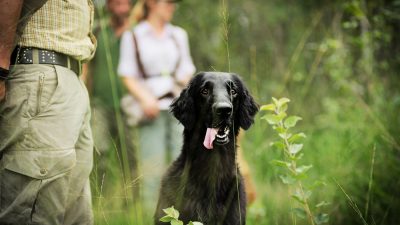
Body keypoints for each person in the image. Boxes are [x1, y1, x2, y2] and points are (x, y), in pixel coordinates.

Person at [0, 0, 96, 224]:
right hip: (39, 73)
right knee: (34, 215)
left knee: (74, 215)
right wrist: (1, 63)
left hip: (69, 76)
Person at [117, 0, 195, 212]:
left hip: (178, 109)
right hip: (149, 111)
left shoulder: (178, 35)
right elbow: (127, 74)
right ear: (151, 3)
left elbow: (187, 68)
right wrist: (145, 99)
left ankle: (183, 215)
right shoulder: (133, 36)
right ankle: (154, 216)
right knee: (152, 170)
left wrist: (180, 82)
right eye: (168, 2)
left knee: (183, 167)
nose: (172, 7)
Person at [82, 0, 137, 195]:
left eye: (125, 4)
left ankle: (132, 203)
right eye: (117, 4)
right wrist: (84, 99)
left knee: (131, 156)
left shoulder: (137, 33)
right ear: (109, 6)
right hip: (100, 104)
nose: (121, 9)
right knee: (99, 152)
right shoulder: (98, 30)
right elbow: (88, 68)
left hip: (129, 106)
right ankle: (98, 201)